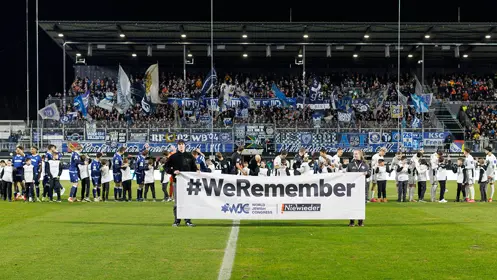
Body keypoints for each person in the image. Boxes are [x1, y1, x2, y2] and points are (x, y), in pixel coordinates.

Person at [166, 139, 198, 227]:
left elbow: (194, 168)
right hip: (177, 182)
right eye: (179, 144)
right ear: (177, 146)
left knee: (187, 201)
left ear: (185, 146)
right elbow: (167, 167)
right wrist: (173, 171)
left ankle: (188, 220)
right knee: (177, 202)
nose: (181, 146)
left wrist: (197, 171)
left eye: (182, 144)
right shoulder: (173, 157)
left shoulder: (190, 156)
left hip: (187, 183)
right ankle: (177, 220)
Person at [347, 150, 370, 227]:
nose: (355, 155)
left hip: (362, 188)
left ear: (360, 154)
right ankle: (351, 222)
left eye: (356, 154)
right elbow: (346, 175)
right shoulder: (350, 165)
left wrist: (366, 173)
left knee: (361, 205)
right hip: (353, 188)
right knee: (352, 205)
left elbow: (369, 174)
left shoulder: (365, 164)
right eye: (354, 154)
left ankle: (360, 222)